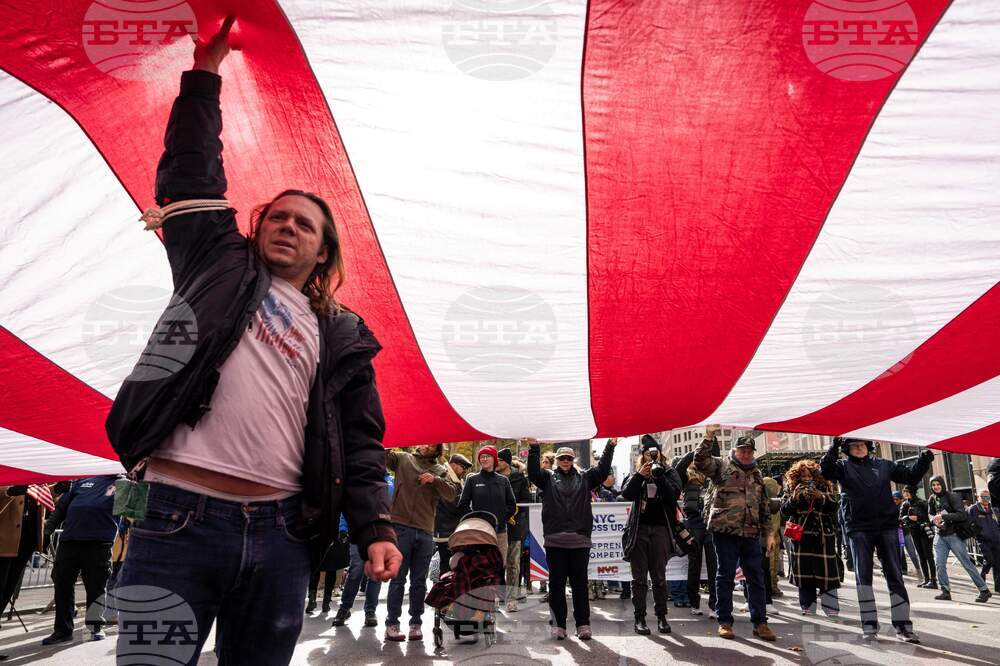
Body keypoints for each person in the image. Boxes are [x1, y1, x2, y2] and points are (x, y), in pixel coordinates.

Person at [104, 18, 402, 665]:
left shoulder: (344, 333)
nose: (289, 226)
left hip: (281, 536)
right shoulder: (216, 263)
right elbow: (190, 173)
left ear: (324, 250)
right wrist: (204, 73)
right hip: (176, 520)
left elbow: (360, 440)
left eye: (305, 223)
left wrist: (375, 526)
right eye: (278, 216)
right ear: (255, 227)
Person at [820, 438, 931, 642]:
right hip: (859, 528)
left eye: (862, 444)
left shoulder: (884, 465)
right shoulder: (843, 467)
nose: (859, 447)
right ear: (848, 449)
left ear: (869, 446)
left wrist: (925, 458)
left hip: (887, 526)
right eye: (854, 445)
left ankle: (903, 626)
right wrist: (833, 448)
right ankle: (869, 625)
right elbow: (826, 470)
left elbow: (911, 476)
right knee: (864, 578)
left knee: (895, 577)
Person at [528, 439, 616, 641]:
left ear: (573, 459)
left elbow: (602, 470)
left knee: (579, 584)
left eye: (569, 458)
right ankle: (558, 625)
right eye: (562, 458)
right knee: (556, 585)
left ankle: (583, 624)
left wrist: (610, 446)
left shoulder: (586, 478)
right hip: (555, 540)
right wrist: (534, 448)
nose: (566, 461)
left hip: (579, 540)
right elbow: (532, 473)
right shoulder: (547, 478)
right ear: (557, 460)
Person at [693, 429, 776, 642]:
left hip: (750, 532)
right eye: (742, 450)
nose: (746, 454)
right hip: (725, 531)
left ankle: (760, 622)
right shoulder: (721, 466)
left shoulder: (757, 474)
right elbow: (700, 461)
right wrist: (708, 438)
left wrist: (770, 535)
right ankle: (725, 621)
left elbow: (764, 507)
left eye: (749, 451)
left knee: (756, 577)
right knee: (725, 575)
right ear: (735, 450)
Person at [385, 445, 458, 641]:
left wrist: (435, 481)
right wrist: (388, 441)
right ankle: (392, 623)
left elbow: (452, 494)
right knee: (398, 579)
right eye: (424, 441)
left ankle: (415, 623)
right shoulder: (403, 459)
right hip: (400, 527)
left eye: (432, 443)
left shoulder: (441, 469)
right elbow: (380, 457)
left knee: (419, 582)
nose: (426, 445)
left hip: (426, 530)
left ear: (437, 448)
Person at [42, 475, 122, 644]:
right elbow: (61, 508)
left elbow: (132, 513)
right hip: (69, 542)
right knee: (62, 585)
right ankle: (62, 631)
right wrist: (48, 528)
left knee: (96, 587)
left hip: (99, 543)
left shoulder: (124, 483)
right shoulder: (81, 481)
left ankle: (96, 627)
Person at [621, 435, 681, 635]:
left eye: (654, 454)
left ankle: (662, 617)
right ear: (643, 456)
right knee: (639, 578)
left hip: (661, 530)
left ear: (660, 454)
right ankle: (639, 618)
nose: (651, 458)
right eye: (648, 454)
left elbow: (673, 496)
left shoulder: (669, 471)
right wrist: (640, 475)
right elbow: (626, 494)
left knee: (659, 577)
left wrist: (660, 475)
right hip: (639, 530)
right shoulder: (637, 473)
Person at [331, 473, 395, 628]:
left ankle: (370, 611)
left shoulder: (390, 482)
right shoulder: (358, 478)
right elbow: (347, 505)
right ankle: (344, 608)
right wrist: (343, 528)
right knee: (355, 571)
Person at [781, 460, 843, 617]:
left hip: (823, 536)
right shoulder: (791, 488)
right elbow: (784, 511)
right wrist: (794, 498)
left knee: (827, 573)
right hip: (801, 537)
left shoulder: (825, 486)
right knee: (805, 574)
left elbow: (835, 507)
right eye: (803, 476)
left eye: (810, 475)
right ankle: (807, 605)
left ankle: (830, 607)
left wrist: (821, 497)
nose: (807, 478)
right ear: (797, 476)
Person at [927, 475, 992, 603]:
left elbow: (961, 515)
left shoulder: (953, 496)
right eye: (933, 485)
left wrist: (943, 517)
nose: (936, 487)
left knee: (967, 564)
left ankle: (984, 590)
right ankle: (945, 591)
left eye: (938, 484)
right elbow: (930, 514)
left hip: (954, 535)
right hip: (939, 535)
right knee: (939, 564)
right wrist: (933, 520)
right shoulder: (932, 498)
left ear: (942, 484)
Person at [458, 446, 516, 573]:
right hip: (480, 533)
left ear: (494, 459)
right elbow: (463, 504)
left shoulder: (503, 480)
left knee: (500, 566)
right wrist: (476, 521)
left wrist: (501, 520)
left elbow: (512, 505)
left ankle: (498, 593)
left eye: (487, 456)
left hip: (500, 531)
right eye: (482, 457)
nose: (484, 459)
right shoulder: (472, 480)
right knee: (480, 568)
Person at [675, 452, 717, 618]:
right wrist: (696, 452)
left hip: (711, 526)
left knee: (714, 567)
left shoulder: (712, 477)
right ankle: (694, 602)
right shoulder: (686, 478)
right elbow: (677, 469)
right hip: (694, 526)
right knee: (694, 566)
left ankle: (714, 605)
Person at [0, 485, 46, 622]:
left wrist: (56, 490)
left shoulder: (36, 475)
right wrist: (7, 491)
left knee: (10, 585)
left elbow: (43, 494)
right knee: (1, 583)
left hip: (27, 538)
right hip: (5, 538)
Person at [498, 448, 532, 611]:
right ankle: (497, 597)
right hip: (495, 528)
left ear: (507, 462)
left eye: (499, 460)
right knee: (496, 564)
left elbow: (527, 501)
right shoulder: (492, 477)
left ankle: (511, 598)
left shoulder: (520, 479)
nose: (496, 463)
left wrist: (514, 512)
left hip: (514, 527)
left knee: (513, 564)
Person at [434, 455, 472, 579]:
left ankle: (448, 590)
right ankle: (444, 591)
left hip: (451, 529)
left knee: (452, 564)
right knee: (446, 564)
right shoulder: (446, 478)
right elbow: (453, 503)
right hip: (445, 530)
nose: (465, 471)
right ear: (454, 465)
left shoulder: (455, 480)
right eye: (463, 468)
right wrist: (467, 508)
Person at [900, 486, 937, 588]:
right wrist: (908, 517)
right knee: (920, 555)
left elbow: (930, 516)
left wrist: (919, 518)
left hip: (924, 530)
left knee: (928, 555)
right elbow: (901, 517)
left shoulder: (922, 502)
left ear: (912, 492)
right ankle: (926, 579)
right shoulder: (905, 504)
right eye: (904, 492)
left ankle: (933, 580)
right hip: (913, 531)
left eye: (907, 491)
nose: (906, 493)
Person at [968, 490, 1000, 593]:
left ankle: (998, 587)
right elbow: (968, 523)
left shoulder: (994, 509)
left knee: (998, 564)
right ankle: (983, 574)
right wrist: (974, 533)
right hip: (983, 540)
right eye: (983, 497)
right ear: (978, 497)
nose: (986, 499)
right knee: (990, 560)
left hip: (996, 540)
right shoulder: (973, 509)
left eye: (988, 497)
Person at [894, 491, 920, 577]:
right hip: (899, 532)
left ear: (901, 499)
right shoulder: (891, 507)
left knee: (912, 552)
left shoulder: (905, 506)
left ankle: (919, 569)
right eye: (893, 499)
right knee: (900, 553)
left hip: (906, 532)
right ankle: (902, 569)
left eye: (896, 499)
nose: (894, 501)